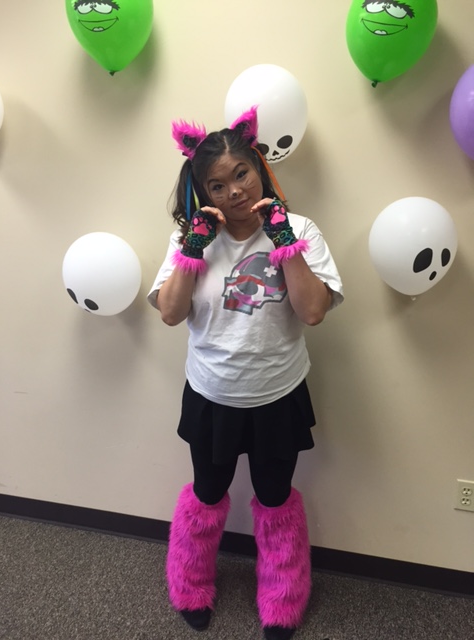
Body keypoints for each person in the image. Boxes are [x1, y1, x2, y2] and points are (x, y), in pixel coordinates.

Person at [147, 106, 344, 640]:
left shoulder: (301, 230)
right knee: (207, 493)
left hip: (277, 393)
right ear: (203, 192)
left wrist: (284, 241)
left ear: (259, 167)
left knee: (275, 496)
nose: (234, 191)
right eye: (217, 184)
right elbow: (170, 313)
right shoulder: (189, 238)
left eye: (241, 174)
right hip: (212, 393)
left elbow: (313, 312)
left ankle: (282, 599)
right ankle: (189, 585)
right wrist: (193, 248)